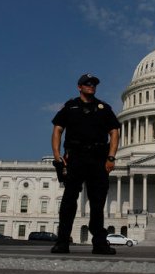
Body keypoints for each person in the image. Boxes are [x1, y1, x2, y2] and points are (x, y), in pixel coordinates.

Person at [50, 73, 120, 255]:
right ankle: (62, 241)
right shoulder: (70, 106)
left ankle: (99, 242)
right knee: (68, 201)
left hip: (98, 159)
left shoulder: (104, 108)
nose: (91, 86)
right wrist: (57, 156)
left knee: (98, 203)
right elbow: (57, 129)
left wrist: (111, 157)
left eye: (94, 84)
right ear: (79, 87)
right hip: (75, 158)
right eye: (87, 84)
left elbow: (114, 131)